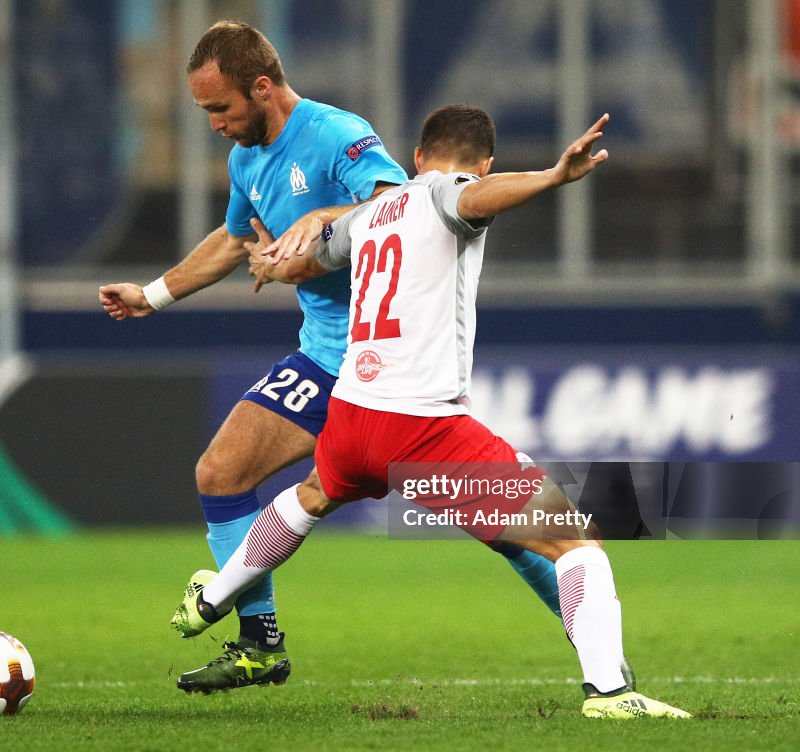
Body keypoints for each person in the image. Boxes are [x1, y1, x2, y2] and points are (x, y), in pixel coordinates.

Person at [171, 105, 690, 719]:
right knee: (576, 541)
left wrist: (271, 264)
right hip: (419, 424)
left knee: (308, 497)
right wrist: (553, 176)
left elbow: (313, 259)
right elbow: (475, 200)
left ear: (416, 157)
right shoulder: (453, 193)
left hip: (352, 414)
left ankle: (211, 599)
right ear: (483, 163)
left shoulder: (366, 214)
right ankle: (611, 694)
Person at [100, 20, 565, 693]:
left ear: (261, 88)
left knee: (504, 531)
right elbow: (235, 241)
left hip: (380, 359)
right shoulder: (245, 159)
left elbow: (394, 204)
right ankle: (259, 644)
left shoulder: (337, 134)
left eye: (221, 108)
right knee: (222, 471)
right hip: (322, 355)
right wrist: (153, 294)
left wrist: (322, 220)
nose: (215, 125)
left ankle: (594, 630)